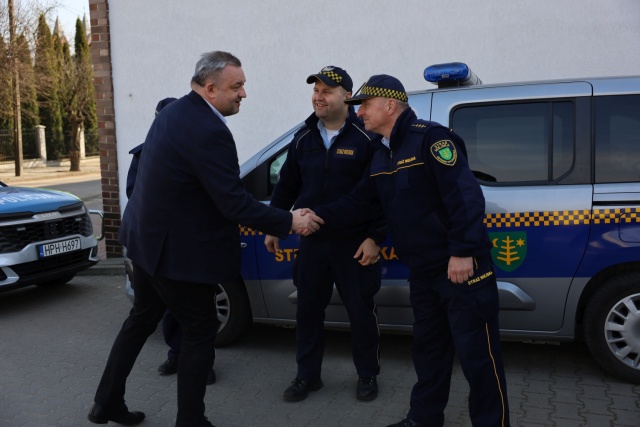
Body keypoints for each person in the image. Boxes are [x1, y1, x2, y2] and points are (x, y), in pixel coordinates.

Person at [88, 51, 324, 427]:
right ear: (211, 89)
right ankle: (191, 420)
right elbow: (232, 202)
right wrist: (289, 220)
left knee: (140, 320)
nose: (244, 93)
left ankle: (106, 402)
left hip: (145, 244)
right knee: (199, 332)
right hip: (177, 255)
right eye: (237, 86)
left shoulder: (174, 113)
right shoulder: (210, 130)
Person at [312, 75, 510, 427]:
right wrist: (313, 217)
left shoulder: (431, 139)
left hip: (460, 269)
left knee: (479, 358)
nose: (360, 113)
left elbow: (465, 197)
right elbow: (359, 202)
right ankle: (423, 419)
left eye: (365, 106)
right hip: (423, 272)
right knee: (429, 351)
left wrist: (462, 252)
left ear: (390, 105)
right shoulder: (380, 151)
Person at [264, 66, 386, 403]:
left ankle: (367, 374)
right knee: (307, 312)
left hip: (354, 243)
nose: (318, 97)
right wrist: (276, 224)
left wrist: (375, 238)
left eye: (326, 91)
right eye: (316, 90)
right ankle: (307, 376)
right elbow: (287, 184)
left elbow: (380, 193)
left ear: (346, 96)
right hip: (313, 243)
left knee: (361, 312)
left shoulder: (367, 137)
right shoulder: (303, 138)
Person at [126, 97, 217, 386]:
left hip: (192, 246)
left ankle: (203, 365)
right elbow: (135, 194)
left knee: (199, 314)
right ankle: (176, 354)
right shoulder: (144, 154)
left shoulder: (198, 148)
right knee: (169, 311)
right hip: (160, 248)